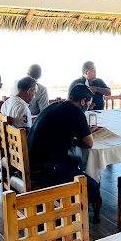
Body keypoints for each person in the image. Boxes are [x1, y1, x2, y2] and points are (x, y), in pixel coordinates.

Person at [27, 84, 102, 222]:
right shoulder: (75, 112)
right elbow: (89, 143)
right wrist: (78, 140)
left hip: (32, 158)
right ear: (83, 101)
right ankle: (67, 219)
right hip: (47, 166)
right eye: (88, 104)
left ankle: (65, 205)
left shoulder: (55, 105)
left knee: (74, 162)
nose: (88, 108)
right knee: (92, 186)